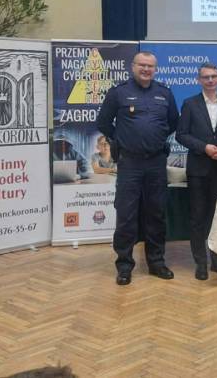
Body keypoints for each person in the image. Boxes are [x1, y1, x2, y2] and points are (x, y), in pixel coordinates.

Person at [95, 51, 178, 286]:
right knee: (126, 214)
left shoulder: (165, 93)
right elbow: (103, 122)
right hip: (129, 163)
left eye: (150, 66)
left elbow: (173, 122)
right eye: (142, 65)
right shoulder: (118, 92)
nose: (146, 69)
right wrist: (121, 139)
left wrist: (156, 136)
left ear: (155, 69)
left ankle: (156, 262)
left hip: (156, 162)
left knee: (156, 213)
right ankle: (124, 265)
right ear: (133, 67)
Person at [175, 62, 217, 281]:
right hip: (198, 169)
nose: (210, 80)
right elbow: (181, 134)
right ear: (198, 80)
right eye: (205, 77)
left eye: (213, 76)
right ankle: (200, 263)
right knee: (198, 217)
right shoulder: (189, 104)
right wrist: (204, 147)